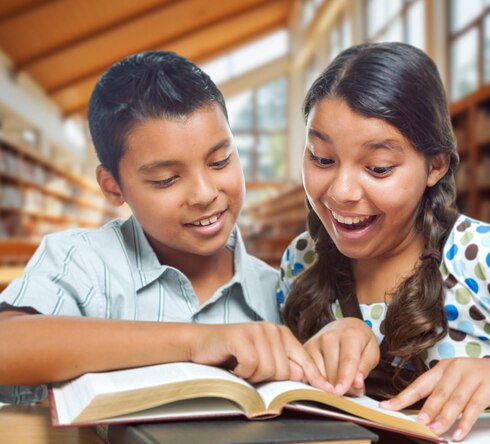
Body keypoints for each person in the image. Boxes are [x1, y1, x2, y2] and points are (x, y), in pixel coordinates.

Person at [277, 42, 490, 441]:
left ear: (435, 165)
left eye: (378, 168)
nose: (341, 192)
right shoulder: (300, 260)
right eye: (321, 158)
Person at [0, 50, 331, 404]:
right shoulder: (81, 261)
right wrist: (194, 341)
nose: (205, 194)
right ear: (113, 186)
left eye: (220, 161)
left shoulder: (277, 291)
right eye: (166, 179)